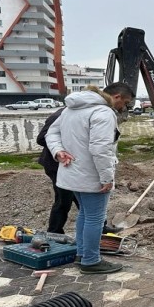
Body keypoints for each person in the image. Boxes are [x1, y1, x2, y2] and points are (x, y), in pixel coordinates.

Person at [45, 82, 134, 275]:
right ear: (117, 96)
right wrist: (107, 178)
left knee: (85, 214)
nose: (123, 108)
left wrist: (58, 150)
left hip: (72, 173)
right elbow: (100, 148)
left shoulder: (71, 109)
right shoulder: (102, 112)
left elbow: (51, 133)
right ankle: (91, 261)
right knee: (95, 217)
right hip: (91, 174)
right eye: (125, 103)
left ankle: (82, 254)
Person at [37, 110, 123, 236]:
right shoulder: (61, 115)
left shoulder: (85, 114)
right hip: (57, 164)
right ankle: (54, 232)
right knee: (63, 200)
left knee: (82, 200)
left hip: (74, 164)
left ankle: (100, 227)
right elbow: (42, 138)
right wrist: (63, 148)